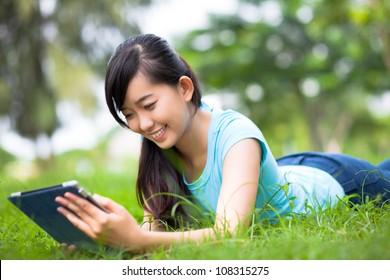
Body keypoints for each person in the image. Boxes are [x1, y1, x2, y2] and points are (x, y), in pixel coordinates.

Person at [55, 34, 390, 252]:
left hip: (341, 182)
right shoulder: (161, 152)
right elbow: (152, 225)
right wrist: (104, 240)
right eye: (129, 114)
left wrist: (139, 240)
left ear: (184, 88)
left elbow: (231, 233)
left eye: (149, 105)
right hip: (291, 168)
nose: (142, 124)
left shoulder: (236, 135)